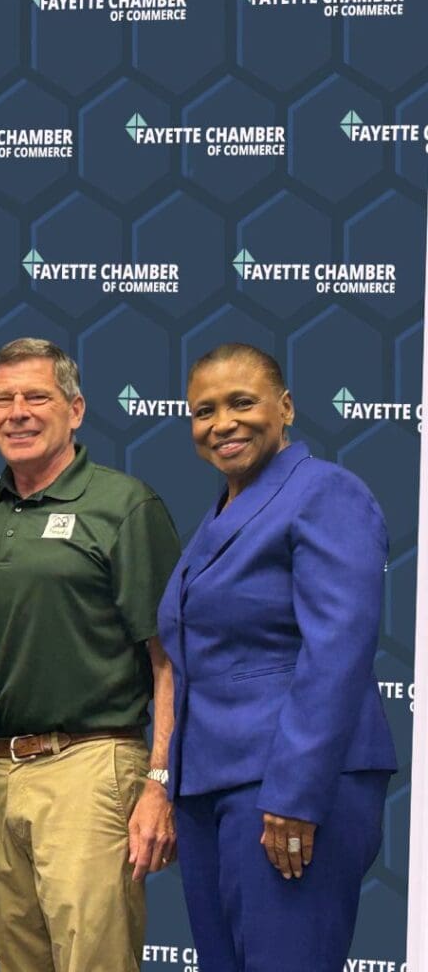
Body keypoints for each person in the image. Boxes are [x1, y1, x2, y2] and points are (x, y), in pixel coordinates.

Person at [157, 342, 397, 972]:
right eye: (204, 411)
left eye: (242, 402)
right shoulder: (222, 513)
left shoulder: (325, 492)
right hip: (210, 789)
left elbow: (337, 650)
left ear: (285, 407)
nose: (223, 423)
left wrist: (295, 792)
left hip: (288, 788)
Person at [0, 338, 180, 972]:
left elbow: (171, 660)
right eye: (2, 399)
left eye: (37, 397)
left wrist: (160, 783)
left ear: (77, 409)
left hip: (89, 765)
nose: (18, 413)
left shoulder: (124, 505)